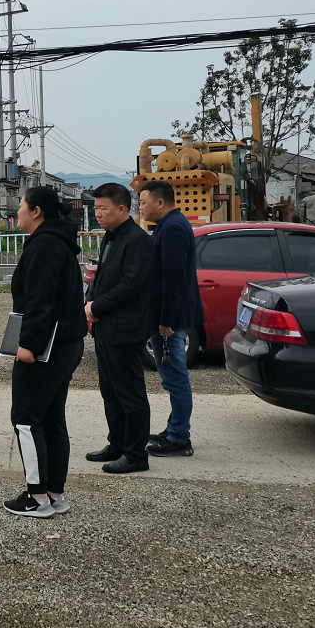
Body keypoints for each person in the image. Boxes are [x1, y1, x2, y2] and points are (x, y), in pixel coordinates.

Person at [2, 186, 88, 517]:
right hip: (66, 343)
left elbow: (40, 301)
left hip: (48, 347)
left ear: (36, 211)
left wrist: (28, 347)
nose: (17, 212)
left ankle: (37, 498)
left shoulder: (45, 245)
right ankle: (54, 493)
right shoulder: (57, 241)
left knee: (25, 419)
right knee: (51, 419)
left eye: (21, 206)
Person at [84, 182, 154, 475]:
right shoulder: (110, 237)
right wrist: (89, 302)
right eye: (96, 208)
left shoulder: (137, 241)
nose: (98, 213)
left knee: (130, 393)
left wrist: (97, 307)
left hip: (125, 329)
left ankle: (136, 454)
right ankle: (117, 443)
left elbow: (130, 285)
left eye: (103, 208)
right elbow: (102, 277)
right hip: (105, 328)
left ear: (122, 209)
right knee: (110, 391)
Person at [140, 179, 204, 458]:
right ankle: (174, 428)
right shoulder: (169, 225)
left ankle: (179, 437)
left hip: (172, 319)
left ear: (160, 202)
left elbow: (174, 278)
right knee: (171, 377)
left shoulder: (174, 228)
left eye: (143, 202)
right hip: (169, 316)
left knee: (176, 378)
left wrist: (166, 319)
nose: (141, 208)